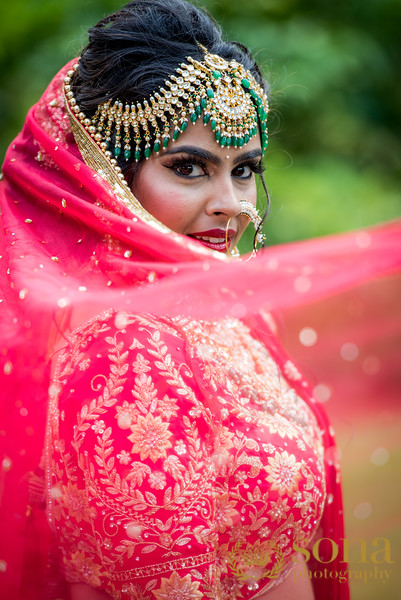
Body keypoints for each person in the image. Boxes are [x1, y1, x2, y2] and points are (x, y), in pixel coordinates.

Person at [1, 1, 400, 599]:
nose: (232, 203)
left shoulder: (232, 320)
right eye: (189, 168)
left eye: (244, 170)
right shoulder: (124, 347)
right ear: (104, 176)